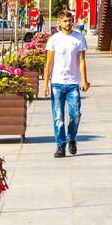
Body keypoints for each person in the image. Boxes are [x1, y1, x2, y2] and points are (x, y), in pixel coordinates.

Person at [43, 11, 89, 158]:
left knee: (76, 114)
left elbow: (82, 61)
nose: (68, 23)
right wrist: (45, 85)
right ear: (59, 23)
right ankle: (61, 146)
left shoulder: (79, 38)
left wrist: (84, 80)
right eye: (65, 21)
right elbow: (49, 63)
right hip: (56, 83)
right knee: (58, 117)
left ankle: (71, 138)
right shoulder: (54, 40)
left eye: (69, 21)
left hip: (73, 83)